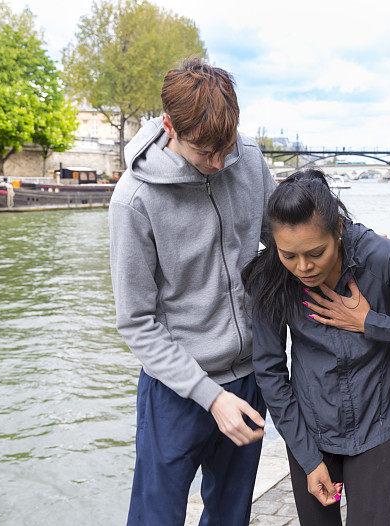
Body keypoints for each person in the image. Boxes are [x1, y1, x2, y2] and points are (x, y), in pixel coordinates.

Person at [242, 169, 390, 525]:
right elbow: (270, 372)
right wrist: (308, 457)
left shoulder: (381, 257)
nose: (303, 267)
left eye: (316, 253)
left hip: (378, 425)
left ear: (337, 229)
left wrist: (371, 323)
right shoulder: (271, 276)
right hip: (311, 432)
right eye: (289, 255)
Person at [108, 56, 277, 526]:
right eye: (206, 153)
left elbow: (287, 240)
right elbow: (137, 323)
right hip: (175, 392)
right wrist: (208, 395)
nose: (221, 163)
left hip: (248, 379)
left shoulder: (249, 158)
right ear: (169, 128)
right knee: (155, 519)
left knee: (231, 518)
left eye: (227, 148)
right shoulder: (133, 201)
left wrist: (357, 245)